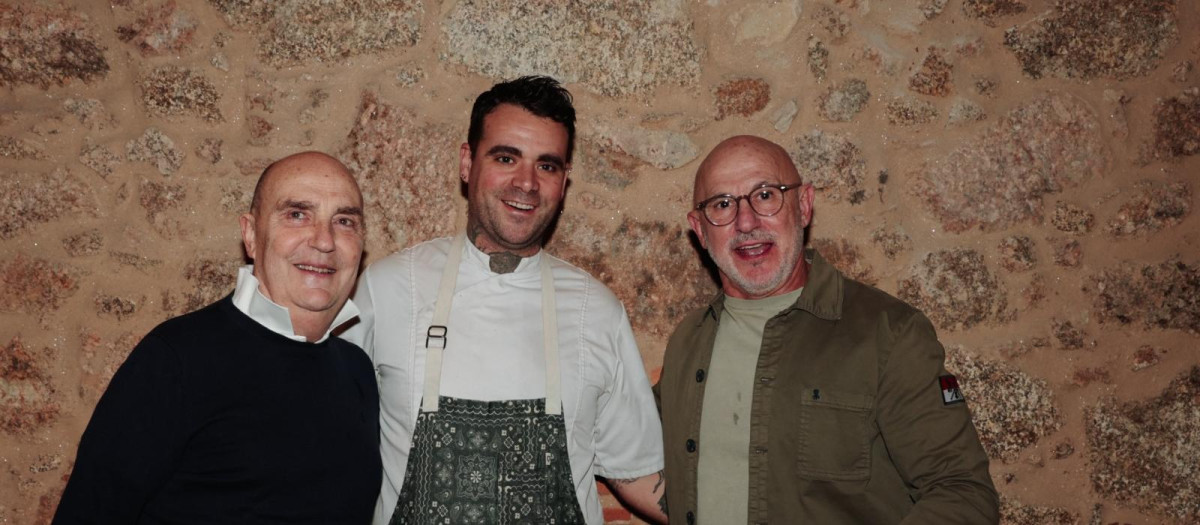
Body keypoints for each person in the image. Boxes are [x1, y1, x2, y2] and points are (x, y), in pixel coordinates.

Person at [344, 76, 667, 525]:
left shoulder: (597, 311)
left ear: (564, 181)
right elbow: (320, 441)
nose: (527, 183)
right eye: (505, 157)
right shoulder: (387, 288)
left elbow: (638, 475)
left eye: (547, 166)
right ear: (466, 163)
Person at [656, 135, 1000, 524]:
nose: (747, 222)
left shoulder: (888, 335)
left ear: (803, 205)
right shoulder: (688, 342)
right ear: (699, 230)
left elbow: (963, 495)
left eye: (766, 195)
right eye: (722, 205)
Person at [54, 152, 381, 524]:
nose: (324, 240)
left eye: (344, 221)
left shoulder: (356, 370)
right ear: (250, 235)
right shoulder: (175, 360)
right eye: (297, 214)